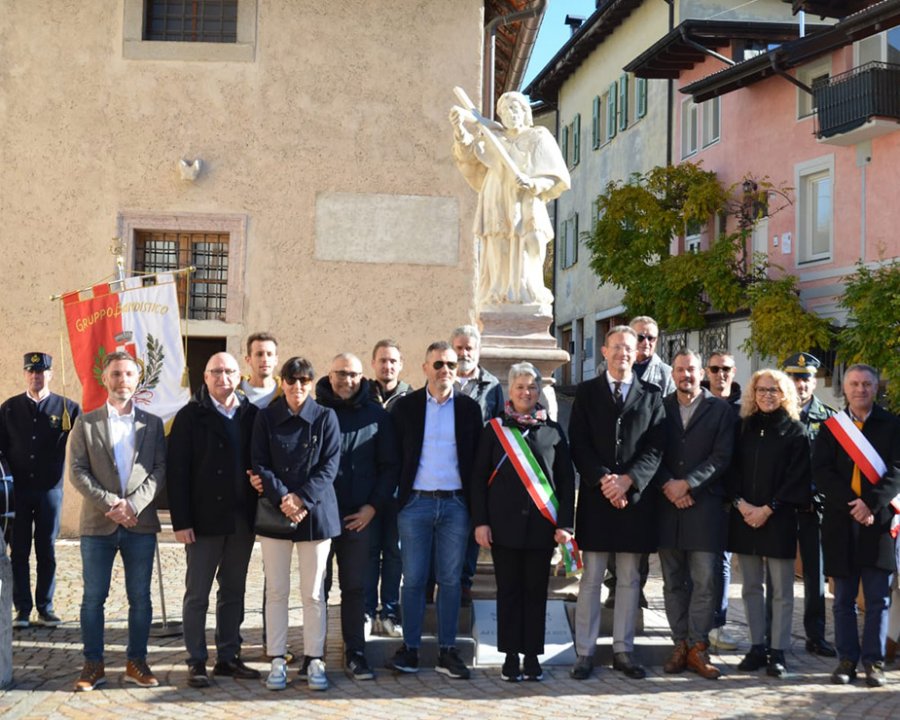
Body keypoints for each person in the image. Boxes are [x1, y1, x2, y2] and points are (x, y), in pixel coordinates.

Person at [568, 326, 665, 681]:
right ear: (604, 352)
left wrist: (629, 480)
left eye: (630, 347)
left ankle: (624, 649)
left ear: (637, 352)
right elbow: (577, 443)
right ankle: (585, 651)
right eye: (617, 347)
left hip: (634, 502)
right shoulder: (587, 393)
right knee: (591, 578)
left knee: (628, 579)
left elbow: (656, 447)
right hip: (597, 498)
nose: (624, 353)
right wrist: (604, 479)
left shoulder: (651, 395)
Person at [67, 351, 166, 691]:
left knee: (140, 597)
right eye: (116, 374)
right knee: (93, 597)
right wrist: (111, 502)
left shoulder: (152, 424)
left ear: (137, 380)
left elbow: (159, 470)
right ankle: (93, 664)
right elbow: (77, 471)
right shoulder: (86, 421)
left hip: (140, 524)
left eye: (128, 374)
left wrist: (133, 505)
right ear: (105, 379)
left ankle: (136, 662)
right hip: (98, 523)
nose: (122, 380)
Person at [471, 362, 575, 682]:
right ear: (509, 391)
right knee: (509, 593)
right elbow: (477, 480)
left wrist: (566, 525)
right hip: (503, 528)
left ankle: (532, 656)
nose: (526, 393)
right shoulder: (494, 430)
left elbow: (567, 482)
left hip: (542, 530)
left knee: (536, 593)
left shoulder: (553, 431)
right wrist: (481, 522)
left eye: (531, 387)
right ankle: (510, 656)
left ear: (538, 391)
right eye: (520, 387)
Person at [385, 342, 482, 679]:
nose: (445, 371)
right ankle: (410, 648)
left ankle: (447, 650)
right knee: (412, 580)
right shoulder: (405, 408)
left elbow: (477, 464)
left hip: (456, 505)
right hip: (416, 504)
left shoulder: (470, 409)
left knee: (451, 581)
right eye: (438, 364)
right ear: (425, 368)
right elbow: (392, 456)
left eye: (452, 365)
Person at [167, 352, 261, 688]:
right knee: (198, 594)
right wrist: (181, 521)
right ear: (205, 378)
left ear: (239, 376)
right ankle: (196, 661)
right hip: (203, 520)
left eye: (229, 371)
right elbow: (176, 473)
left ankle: (228, 657)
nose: (223, 377)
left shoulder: (252, 414)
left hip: (241, 520)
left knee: (233, 591)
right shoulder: (190, 416)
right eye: (216, 371)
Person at [251, 356, 341, 692]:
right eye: (291, 380)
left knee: (313, 593)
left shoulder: (325, 417)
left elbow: (330, 465)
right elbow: (259, 461)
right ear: (282, 381)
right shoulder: (266, 417)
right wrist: (283, 499)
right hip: (277, 511)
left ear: (311, 382)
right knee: (276, 590)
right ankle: (276, 659)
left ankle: (314, 659)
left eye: (304, 380)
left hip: (315, 513)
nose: (297, 386)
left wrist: (301, 498)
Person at [813, 364, 900, 688]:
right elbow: (821, 471)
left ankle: (873, 663)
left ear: (876, 388)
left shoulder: (892, 425)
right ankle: (846, 660)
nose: (860, 389)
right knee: (843, 600)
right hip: (840, 522)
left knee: (878, 599)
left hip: (877, 524)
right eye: (854, 384)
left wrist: (871, 504)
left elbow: (897, 470)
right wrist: (853, 504)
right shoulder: (831, 428)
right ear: (844, 389)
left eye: (866, 384)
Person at [315, 353, 399, 680]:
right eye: (340, 374)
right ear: (329, 374)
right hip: (321, 517)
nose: (346, 380)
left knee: (355, 589)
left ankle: (356, 653)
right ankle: (314, 653)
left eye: (352, 374)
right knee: (316, 589)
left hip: (358, 518)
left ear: (362, 377)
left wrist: (373, 507)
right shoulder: (315, 412)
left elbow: (389, 466)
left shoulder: (377, 416)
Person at [656, 350, 735, 680]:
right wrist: (668, 486)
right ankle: (679, 644)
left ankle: (697, 647)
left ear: (701, 372)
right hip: (667, 510)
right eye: (679, 370)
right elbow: (649, 452)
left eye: (691, 370)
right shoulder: (660, 407)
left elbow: (722, 457)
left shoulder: (720, 410)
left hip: (704, 507)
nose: (685, 375)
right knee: (673, 583)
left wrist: (688, 485)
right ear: (672, 373)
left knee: (704, 582)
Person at [450, 91, 570, 306]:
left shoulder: (538, 136)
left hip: (525, 199)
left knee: (528, 244)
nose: (509, 114)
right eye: (504, 111)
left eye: (514, 108)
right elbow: (467, 155)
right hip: (495, 196)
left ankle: (526, 291)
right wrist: (459, 130)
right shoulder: (493, 136)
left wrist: (533, 183)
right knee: (497, 244)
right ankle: (498, 292)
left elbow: (555, 176)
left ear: (525, 112)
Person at [727, 369, 810, 679]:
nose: (767, 395)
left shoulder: (795, 432)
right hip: (744, 516)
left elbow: (798, 478)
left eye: (774, 390)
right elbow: (730, 470)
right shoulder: (742, 428)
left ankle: (778, 651)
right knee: (750, 587)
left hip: (779, 519)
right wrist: (742, 505)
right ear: (753, 393)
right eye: (761, 389)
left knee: (781, 591)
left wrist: (769, 508)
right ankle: (757, 646)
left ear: (784, 393)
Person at [0, 352, 80, 628]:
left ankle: (45, 608)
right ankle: (22, 609)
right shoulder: (9, 408)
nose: (36, 376)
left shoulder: (68, 407)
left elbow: (86, 439)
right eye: (31, 371)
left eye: (41, 371)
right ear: (25, 374)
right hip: (19, 493)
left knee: (46, 549)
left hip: (50, 492)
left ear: (51, 374)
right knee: (19, 551)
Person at [603, 315, 674, 610]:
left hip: (645, 471)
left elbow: (664, 424)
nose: (645, 343)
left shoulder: (665, 374)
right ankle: (612, 586)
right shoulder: (606, 369)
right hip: (610, 472)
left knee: (640, 539)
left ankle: (637, 588)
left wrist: (637, 474)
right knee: (610, 537)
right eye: (640, 337)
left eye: (651, 338)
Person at [781, 352, 837, 657]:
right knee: (777, 577)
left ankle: (815, 636)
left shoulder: (829, 418)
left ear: (814, 382)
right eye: (794, 377)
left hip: (814, 509)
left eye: (805, 378)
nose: (800, 384)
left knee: (815, 577)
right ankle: (772, 636)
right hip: (780, 509)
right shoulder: (774, 415)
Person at [450, 324, 504, 606]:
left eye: (469, 348)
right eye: (459, 347)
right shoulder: (441, 379)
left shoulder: (492, 386)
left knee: (472, 529)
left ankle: (464, 583)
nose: (464, 353)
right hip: (444, 468)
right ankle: (439, 582)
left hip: (477, 471)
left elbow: (497, 427)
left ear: (478, 351)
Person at [365, 339, 410, 638]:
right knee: (368, 553)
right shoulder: (361, 397)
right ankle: (367, 611)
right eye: (382, 360)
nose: (387, 366)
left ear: (401, 365)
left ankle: (390, 611)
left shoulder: (411, 400)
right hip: (367, 492)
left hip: (398, 492)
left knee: (394, 554)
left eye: (393, 361)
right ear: (373, 363)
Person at [702, 349, 741, 651]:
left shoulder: (745, 409)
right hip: (700, 495)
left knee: (723, 564)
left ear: (734, 371)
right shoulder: (696, 404)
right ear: (706, 372)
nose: (720, 374)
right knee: (698, 565)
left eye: (725, 369)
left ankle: (717, 624)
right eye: (715, 369)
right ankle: (695, 627)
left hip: (732, 499)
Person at [238, 332, 282, 408]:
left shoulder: (285, 392)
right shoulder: (234, 391)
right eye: (259, 354)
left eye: (269, 354)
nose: (265, 359)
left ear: (276, 360)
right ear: (248, 360)